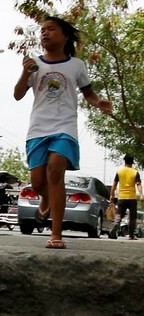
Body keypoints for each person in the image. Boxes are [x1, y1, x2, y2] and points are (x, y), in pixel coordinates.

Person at [13, 16, 112, 249]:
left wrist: (99, 103)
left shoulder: (76, 65)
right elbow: (17, 95)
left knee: (55, 170)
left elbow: (88, 93)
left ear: (65, 35)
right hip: (38, 129)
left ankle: (56, 234)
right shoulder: (35, 64)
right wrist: (25, 74)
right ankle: (45, 197)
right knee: (37, 183)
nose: (45, 33)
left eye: (51, 29)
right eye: (42, 30)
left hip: (65, 128)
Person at [108, 154, 144, 240]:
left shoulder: (119, 172)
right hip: (132, 198)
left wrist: (112, 195)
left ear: (124, 161)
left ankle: (117, 223)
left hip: (122, 198)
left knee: (119, 214)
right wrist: (142, 194)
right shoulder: (135, 172)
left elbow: (114, 185)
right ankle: (131, 235)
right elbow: (138, 184)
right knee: (132, 217)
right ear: (132, 162)